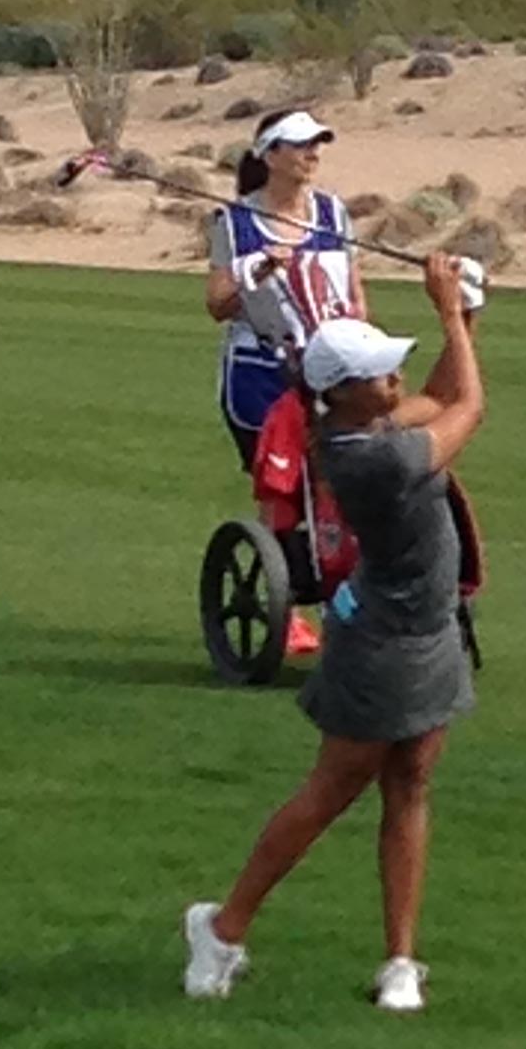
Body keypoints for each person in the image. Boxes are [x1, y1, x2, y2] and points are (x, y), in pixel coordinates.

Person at [181, 254, 486, 1014]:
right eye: (380, 375)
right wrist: (449, 315)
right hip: (380, 644)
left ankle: (401, 960)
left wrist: (466, 315)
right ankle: (221, 928)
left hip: (429, 630)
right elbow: (469, 409)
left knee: (413, 781)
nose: (394, 383)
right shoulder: (371, 456)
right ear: (341, 394)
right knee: (333, 790)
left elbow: (442, 393)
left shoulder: (368, 422)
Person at [205, 109, 367, 656]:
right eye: (300, 145)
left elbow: (353, 294)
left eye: (317, 144)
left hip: (330, 372)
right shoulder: (234, 222)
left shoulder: (332, 213)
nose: (312, 153)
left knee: (336, 485)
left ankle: (339, 598)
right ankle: (289, 610)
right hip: (259, 377)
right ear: (270, 155)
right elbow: (218, 306)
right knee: (282, 491)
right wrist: (256, 271)